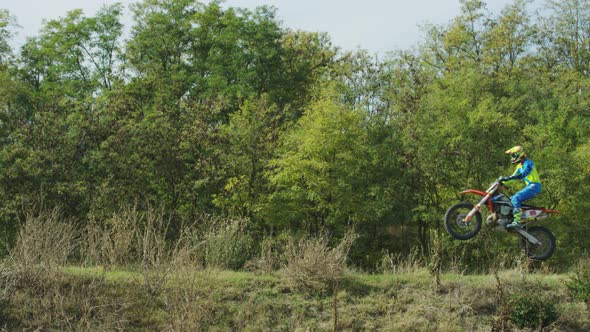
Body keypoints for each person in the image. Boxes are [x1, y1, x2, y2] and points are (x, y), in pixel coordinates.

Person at [501, 145, 542, 229]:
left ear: (518, 154)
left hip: (534, 186)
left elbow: (523, 174)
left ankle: (517, 222)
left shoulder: (529, 163)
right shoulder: (519, 166)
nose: (512, 157)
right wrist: (501, 182)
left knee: (516, 198)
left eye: (513, 155)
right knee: (510, 200)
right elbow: (512, 177)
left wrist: (510, 178)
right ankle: (512, 219)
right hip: (531, 186)